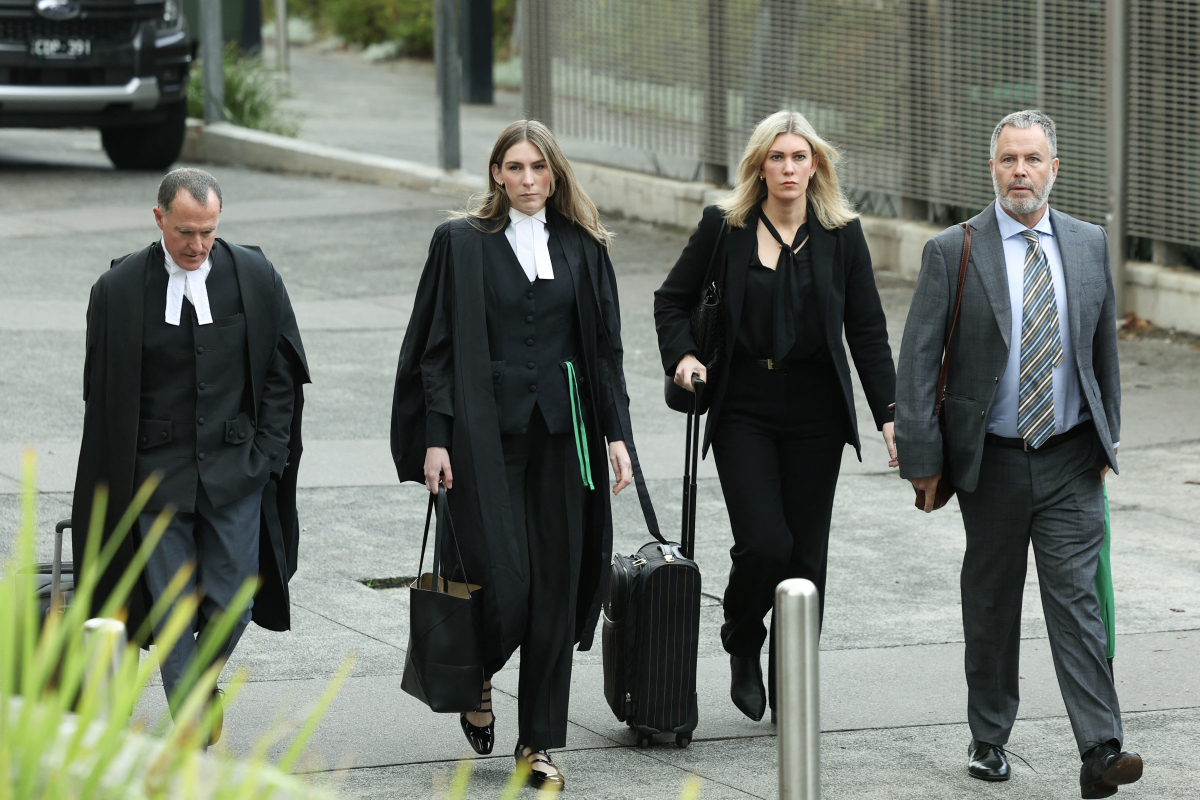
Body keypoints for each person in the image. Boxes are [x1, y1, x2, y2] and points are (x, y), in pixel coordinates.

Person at [391, 120, 652, 791]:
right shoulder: (460, 244)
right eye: (515, 168)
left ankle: (536, 744)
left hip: (567, 438)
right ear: (496, 176)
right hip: (483, 437)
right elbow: (436, 349)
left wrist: (618, 436)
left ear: (555, 173)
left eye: (539, 167)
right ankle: (476, 672)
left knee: (557, 595)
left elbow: (606, 353)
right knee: (503, 580)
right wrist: (436, 437)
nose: (529, 180)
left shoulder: (584, 247)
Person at [894, 110, 1141, 798]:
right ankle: (989, 737)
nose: (1021, 173)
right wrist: (922, 454)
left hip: (1069, 457)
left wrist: (1106, 437)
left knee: (1078, 602)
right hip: (993, 459)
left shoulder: (1089, 244)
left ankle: (1101, 747)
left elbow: (1102, 353)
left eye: (1033, 160)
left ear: (1054, 168)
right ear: (993, 168)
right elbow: (917, 358)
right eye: (1009, 160)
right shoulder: (955, 249)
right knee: (993, 602)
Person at [653, 111, 897, 723]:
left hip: (817, 409)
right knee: (765, 543)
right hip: (744, 406)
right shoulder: (725, 227)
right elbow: (671, 299)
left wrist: (892, 417)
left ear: (817, 165)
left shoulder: (842, 234)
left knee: (806, 557)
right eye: (777, 157)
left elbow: (867, 332)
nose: (789, 168)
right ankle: (742, 635)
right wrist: (683, 356)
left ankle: (792, 682)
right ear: (759, 165)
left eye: (800, 157)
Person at [72, 168, 310, 743]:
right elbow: (99, 394)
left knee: (235, 599)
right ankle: (193, 726)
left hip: (237, 469)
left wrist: (268, 453)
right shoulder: (119, 289)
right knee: (174, 606)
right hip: (154, 476)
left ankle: (197, 686)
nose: (197, 245)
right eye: (185, 231)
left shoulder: (254, 274)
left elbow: (284, 374)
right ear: (159, 220)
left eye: (207, 231)